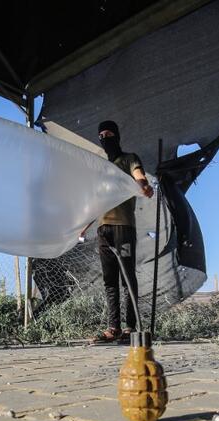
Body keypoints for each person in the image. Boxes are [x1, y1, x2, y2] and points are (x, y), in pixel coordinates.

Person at [92, 120, 154, 343]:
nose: (104, 138)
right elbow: (92, 198)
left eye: (108, 134)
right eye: (101, 135)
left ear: (117, 136)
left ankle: (129, 327)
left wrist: (144, 184)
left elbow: (138, 174)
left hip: (124, 227)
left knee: (127, 278)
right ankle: (113, 327)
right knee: (109, 280)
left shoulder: (129, 158)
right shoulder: (99, 166)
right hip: (103, 228)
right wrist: (82, 225)